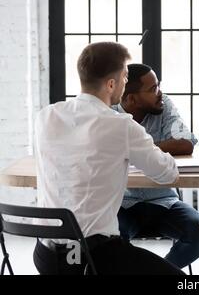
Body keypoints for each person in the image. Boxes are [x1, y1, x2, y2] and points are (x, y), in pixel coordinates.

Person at [33, 42, 184, 275]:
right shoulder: (120, 125)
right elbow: (167, 174)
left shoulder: (45, 117)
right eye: (125, 77)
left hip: (46, 256)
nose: (126, 83)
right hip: (95, 259)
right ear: (111, 84)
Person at [113, 63, 199, 269]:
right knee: (109, 241)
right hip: (122, 202)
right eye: (153, 89)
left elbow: (185, 142)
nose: (160, 93)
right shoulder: (109, 113)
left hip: (163, 200)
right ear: (131, 99)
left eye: (158, 86)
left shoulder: (163, 105)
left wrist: (137, 150)